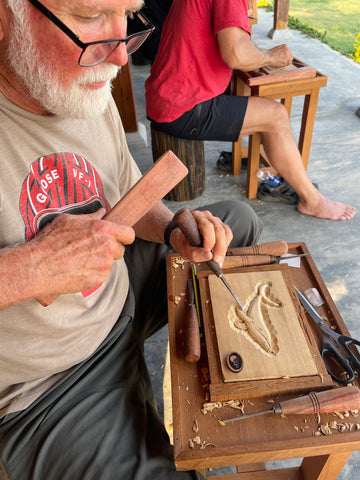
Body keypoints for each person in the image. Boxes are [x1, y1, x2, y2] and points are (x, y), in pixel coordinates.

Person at [0, 1, 263, 479]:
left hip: (119, 295)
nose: (121, 56)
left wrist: (171, 228)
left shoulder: (82, 82)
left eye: (128, 14)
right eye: (89, 16)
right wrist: (28, 269)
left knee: (237, 223)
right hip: (47, 382)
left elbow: (126, 193)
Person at [145, 0, 356, 221]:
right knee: (276, 116)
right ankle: (312, 201)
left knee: (250, 91)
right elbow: (236, 53)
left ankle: (268, 159)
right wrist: (272, 56)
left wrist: (256, 54)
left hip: (169, 94)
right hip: (180, 106)